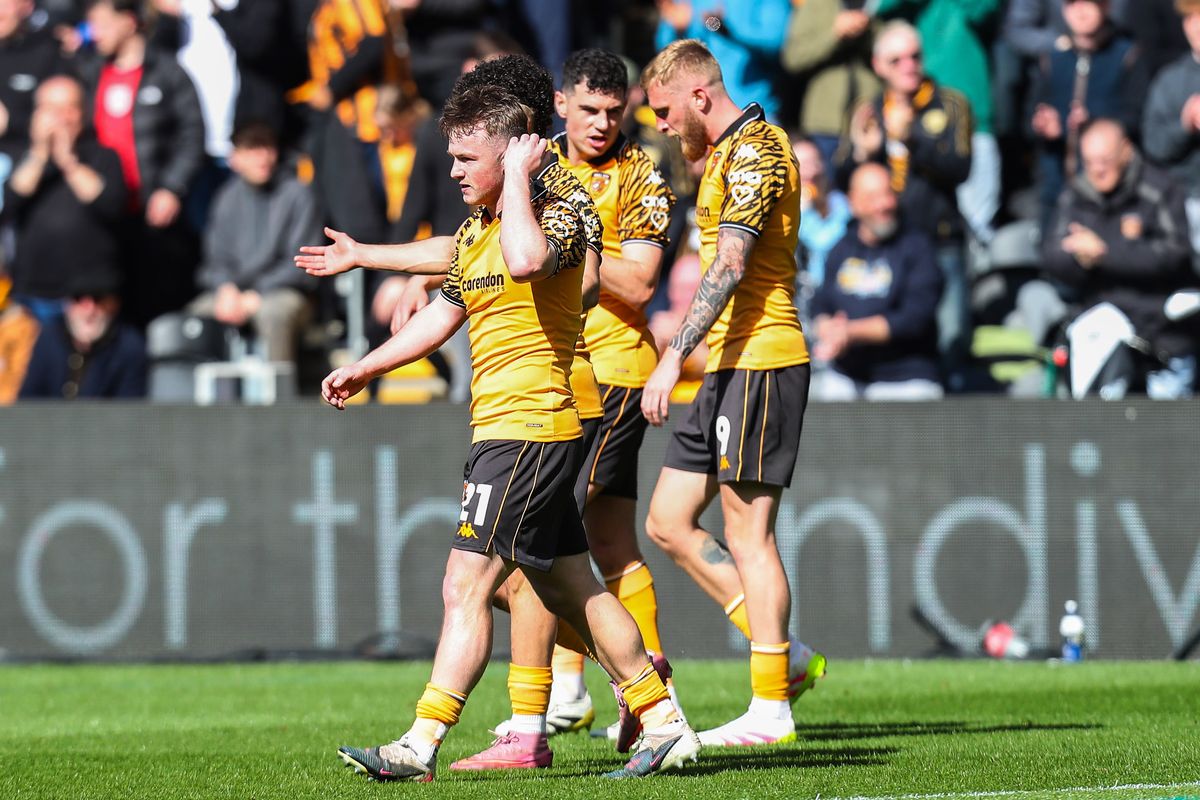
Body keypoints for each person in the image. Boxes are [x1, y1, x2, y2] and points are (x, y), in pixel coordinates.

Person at [323, 86, 700, 782]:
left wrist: (523, 179)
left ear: (511, 154)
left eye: (468, 158)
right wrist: (365, 367)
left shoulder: (559, 213)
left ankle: (420, 742)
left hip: (532, 426)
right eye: (452, 157)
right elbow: (442, 316)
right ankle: (663, 719)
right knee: (568, 585)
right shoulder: (477, 230)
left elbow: (529, 261)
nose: (454, 172)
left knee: (464, 581)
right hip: (502, 427)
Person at [446, 48, 678, 770]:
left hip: (591, 383)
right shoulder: (511, 193)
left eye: (615, 110)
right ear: (560, 107)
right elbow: (472, 258)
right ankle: (634, 690)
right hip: (553, 388)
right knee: (573, 562)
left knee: (517, 569)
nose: (603, 123)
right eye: (590, 109)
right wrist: (376, 258)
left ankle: (534, 718)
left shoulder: (583, 186)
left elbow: (613, 283)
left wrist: (541, 261)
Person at [638, 39, 825, 747]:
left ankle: (771, 708)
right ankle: (787, 654)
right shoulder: (719, 154)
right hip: (727, 364)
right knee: (667, 520)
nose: (661, 125)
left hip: (763, 358)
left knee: (749, 534)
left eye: (665, 111)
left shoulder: (758, 151)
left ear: (700, 96)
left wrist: (670, 359)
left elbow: (732, 263)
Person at [839, 20, 972, 384]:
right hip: (887, 245)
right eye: (896, 60)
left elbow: (960, 168)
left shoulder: (952, 104)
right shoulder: (866, 110)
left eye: (915, 56)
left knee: (952, 337)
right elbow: (843, 178)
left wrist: (911, 136)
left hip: (939, 238)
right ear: (878, 66)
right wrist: (864, 154)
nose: (909, 66)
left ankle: (955, 409)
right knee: (893, 333)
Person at [1042, 119, 1195, 398]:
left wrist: (1106, 253)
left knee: (1165, 417)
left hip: (1160, 328)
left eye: (1105, 160)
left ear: (1125, 150)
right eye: (1089, 162)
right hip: (1100, 321)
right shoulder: (1077, 195)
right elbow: (1052, 255)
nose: (1097, 170)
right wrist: (1080, 260)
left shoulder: (1159, 190)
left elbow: (1175, 255)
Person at [78, 0, 206, 326]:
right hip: (104, 214)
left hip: (153, 213)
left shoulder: (167, 72)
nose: (95, 33)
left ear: (129, 21)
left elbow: (193, 134)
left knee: (157, 303)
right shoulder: (90, 73)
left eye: (102, 23)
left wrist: (172, 187)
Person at [186, 122, 321, 365]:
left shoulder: (298, 195)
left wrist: (256, 293)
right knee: (195, 319)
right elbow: (215, 259)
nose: (262, 157)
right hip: (235, 293)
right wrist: (225, 288)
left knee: (273, 314)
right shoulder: (226, 198)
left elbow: (303, 263)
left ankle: (279, 389)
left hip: (286, 292)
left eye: (267, 147)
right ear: (234, 158)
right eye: (252, 149)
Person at [810, 163, 944, 401]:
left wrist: (850, 332)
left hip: (906, 379)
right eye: (872, 197)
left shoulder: (917, 247)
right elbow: (821, 302)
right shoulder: (842, 247)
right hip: (847, 375)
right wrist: (827, 328)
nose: (884, 205)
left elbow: (914, 318)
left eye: (888, 194)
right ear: (852, 202)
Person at [874, 0, 1001, 244]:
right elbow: (877, 7)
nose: (908, 64)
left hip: (972, 122)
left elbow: (985, 8)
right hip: (918, 117)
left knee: (978, 228)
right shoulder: (874, 106)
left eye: (914, 57)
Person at [4, 74, 126, 323]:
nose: (60, 118)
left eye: (68, 108)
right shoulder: (22, 157)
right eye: (51, 109)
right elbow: (8, 203)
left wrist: (68, 161)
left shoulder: (103, 156)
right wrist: (40, 153)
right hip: (33, 292)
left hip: (88, 297)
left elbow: (111, 205)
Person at [1029, 0, 1150, 227]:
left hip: (1111, 193)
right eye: (1072, 3)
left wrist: (1096, 124)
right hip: (1056, 187)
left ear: (1106, 7)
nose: (1080, 11)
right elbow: (1029, 116)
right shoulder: (1051, 59)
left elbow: (1138, 117)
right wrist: (1043, 124)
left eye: (1089, 2)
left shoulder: (1127, 56)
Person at [781, 0, 880, 174]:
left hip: (870, 122)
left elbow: (894, 51)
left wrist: (867, 30)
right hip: (825, 125)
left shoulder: (876, 6)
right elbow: (793, 58)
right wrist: (835, 33)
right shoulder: (816, 5)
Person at [655, 0, 793, 124]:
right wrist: (678, 30)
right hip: (701, 111)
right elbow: (664, 51)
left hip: (751, 109)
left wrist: (726, 30)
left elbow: (776, 42)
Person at [19, 268, 147, 399]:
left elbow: (129, 406)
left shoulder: (129, 347)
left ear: (114, 304)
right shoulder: (49, 339)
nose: (89, 310)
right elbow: (28, 399)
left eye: (98, 299)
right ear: (66, 305)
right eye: (78, 298)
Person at [1143, 0, 1200, 261]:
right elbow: (1154, 145)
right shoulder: (1171, 79)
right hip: (1186, 199)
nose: (1197, 27)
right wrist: (1184, 125)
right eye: (1190, 19)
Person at [0, 0, 65, 187]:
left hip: (26, 168)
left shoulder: (48, 51)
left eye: (7, 3)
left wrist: (10, 121)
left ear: (27, 6)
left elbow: (64, 116)